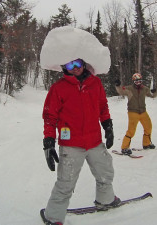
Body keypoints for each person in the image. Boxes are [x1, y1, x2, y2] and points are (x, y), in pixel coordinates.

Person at [42, 58, 120, 225]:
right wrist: (48, 142)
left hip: (94, 141)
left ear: (84, 63)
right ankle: (53, 217)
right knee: (66, 182)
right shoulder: (59, 88)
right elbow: (50, 117)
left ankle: (105, 200)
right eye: (70, 65)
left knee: (105, 173)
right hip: (70, 145)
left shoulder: (95, 82)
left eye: (77, 63)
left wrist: (108, 125)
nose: (75, 68)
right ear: (64, 67)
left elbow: (102, 106)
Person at [115, 73, 157, 155]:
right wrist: (117, 85)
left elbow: (152, 96)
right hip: (133, 112)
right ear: (133, 81)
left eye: (139, 81)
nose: (138, 82)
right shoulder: (129, 88)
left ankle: (146, 144)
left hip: (143, 112)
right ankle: (124, 148)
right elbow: (121, 91)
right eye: (136, 81)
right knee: (131, 131)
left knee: (148, 127)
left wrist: (154, 92)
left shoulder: (145, 89)